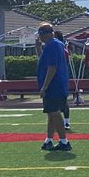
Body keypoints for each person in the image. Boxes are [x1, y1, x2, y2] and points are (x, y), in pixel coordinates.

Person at [37, 23, 72, 151]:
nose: (39, 37)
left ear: (45, 34)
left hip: (54, 85)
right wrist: (38, 48)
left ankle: (64, 141)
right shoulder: (55, 44)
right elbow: (44, 61)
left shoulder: (52, 45)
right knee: (51, 113)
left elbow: (52, 67)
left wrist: (45, 86)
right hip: (57, 84)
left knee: (54, 113)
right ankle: (49, 140)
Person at [53, 30, 74, 130]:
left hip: (60, 79)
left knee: (63, 101)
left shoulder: (63, 50)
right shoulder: (53, 49)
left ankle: (66, 122)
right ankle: (56, 122)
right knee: (53, 102)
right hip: (54, 78)